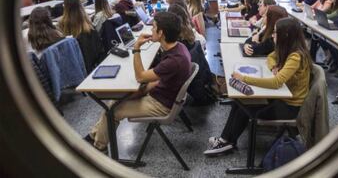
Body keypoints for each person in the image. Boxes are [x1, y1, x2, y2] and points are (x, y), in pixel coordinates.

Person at [84, 12, 192, 153]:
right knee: (113, 102)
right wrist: (142, 91)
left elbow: (140, 77)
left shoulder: (173, 61)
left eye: (154, 28)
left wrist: (136, 48)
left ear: (161, 33)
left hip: (162, 105)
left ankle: (99, 147)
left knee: (112, 111)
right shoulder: (179, 47)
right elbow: (161, 79)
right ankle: (95, 135)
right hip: (162, 94)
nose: (151, 30)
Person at [204, 17, 312, 155]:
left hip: (289, 107)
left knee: (245, 107)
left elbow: (276, 82)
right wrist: (274, 66)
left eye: (275, 32)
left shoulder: (295, 56)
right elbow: (271, 57)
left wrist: (244, 78)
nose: (273, 35)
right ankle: (226, 140)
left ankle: (227, 142)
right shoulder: (288, 48)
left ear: (285, 35)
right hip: (282, 98)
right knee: (240, 101)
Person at [58, 0, 105, 73]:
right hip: (92, 63)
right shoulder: (88, 21)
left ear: (65, 7)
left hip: (76, 63)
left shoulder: (62, 23)